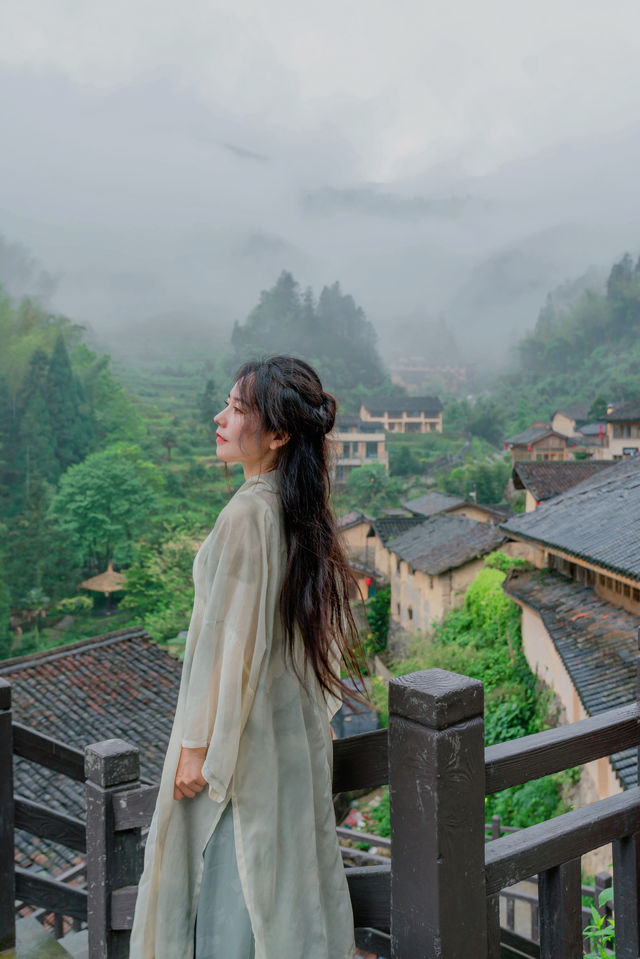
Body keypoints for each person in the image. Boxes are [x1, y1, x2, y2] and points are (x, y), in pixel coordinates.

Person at [130, 356, 362, 959]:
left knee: (236, 903)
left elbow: (226, 647)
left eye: (236, 409)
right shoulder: (298, 510)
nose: (220, 418)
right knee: (284, 899)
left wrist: (196, 748)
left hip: (243, 751)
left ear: (278, 433)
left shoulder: (246, 514)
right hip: (290, 741)